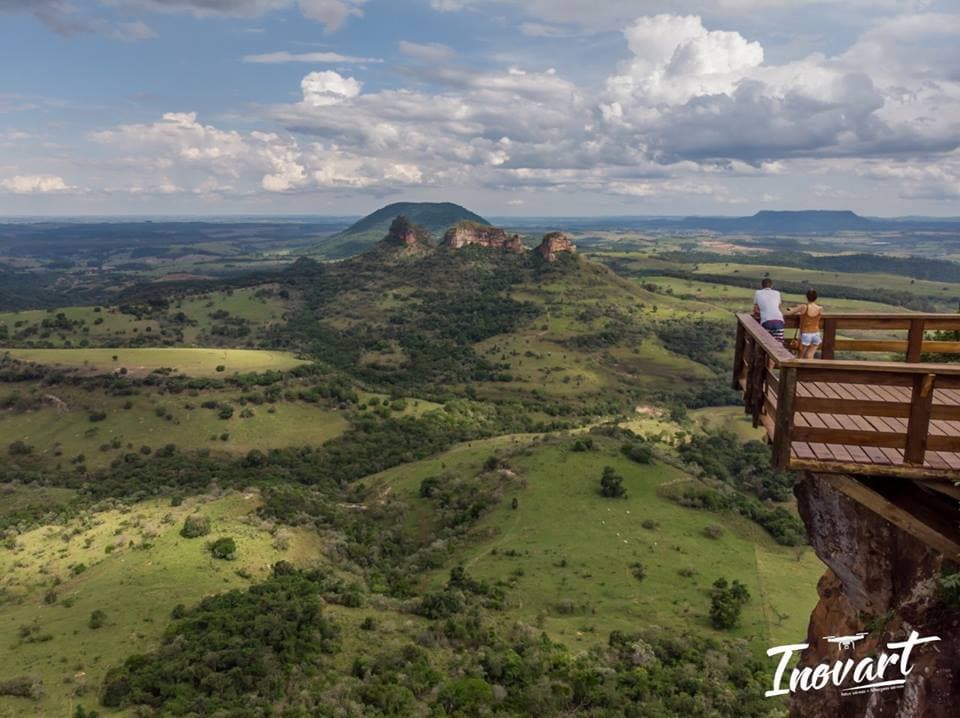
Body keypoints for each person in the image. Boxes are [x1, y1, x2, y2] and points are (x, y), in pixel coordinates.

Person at [786, 289, 823, 358]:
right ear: (816, 298)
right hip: (816, 332)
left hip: (806, 333)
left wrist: (791, 309)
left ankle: (799, 368)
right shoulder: (820, 308)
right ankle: (809, 368)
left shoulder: (804, 307)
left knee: (801, 356)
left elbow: (789, 313)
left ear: (806, 297)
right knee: (810, 354)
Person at [753, 278, 785, 343]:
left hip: (766, 321)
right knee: (779, 344)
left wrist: (762, 312)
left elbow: (755, 310)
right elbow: (779, 308)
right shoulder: (777, 293)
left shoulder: (758, 293)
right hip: (779, 320)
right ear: (771, 285)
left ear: (761, 285)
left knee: (766, 343)